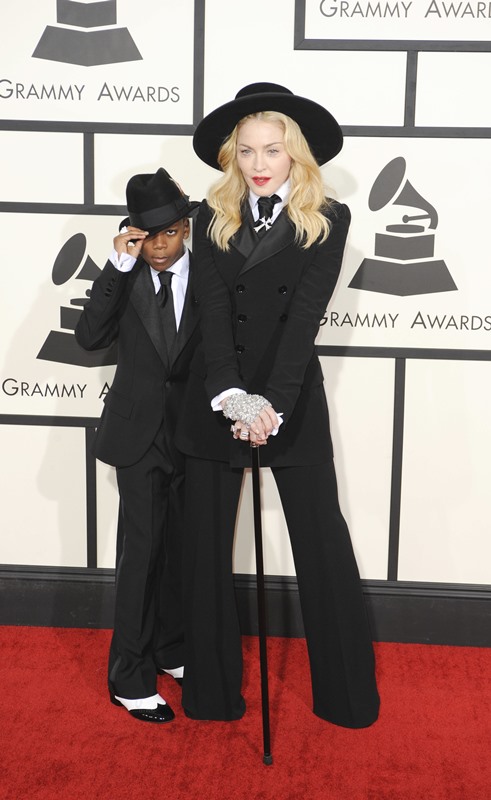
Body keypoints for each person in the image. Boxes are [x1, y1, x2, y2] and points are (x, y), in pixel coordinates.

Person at [176, 83, 380, 728]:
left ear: (296, 153)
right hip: (217, 394)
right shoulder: (209, 215)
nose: (259, 163)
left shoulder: (329, 217)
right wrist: (232, 395)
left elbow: (305, 320)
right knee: (204, 548)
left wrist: (270, 404)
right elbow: (212, 311)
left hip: (288, 395)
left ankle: (347, 697)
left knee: (322, 540)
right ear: (230, 156)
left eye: (272, 149)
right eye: (246, 151)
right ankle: (211, 695)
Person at [75, 168, 200, 723]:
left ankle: (171, 649)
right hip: (137, 438)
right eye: (147, 237)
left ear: (186, 229)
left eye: (169, 233)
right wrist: (116, 265)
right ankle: (129, 677)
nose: (159, 246)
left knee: (182, 553)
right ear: (132, 235)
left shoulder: (211, 275)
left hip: (195, 435)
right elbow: (89, 338)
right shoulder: (123, 276)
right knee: (141, 555)